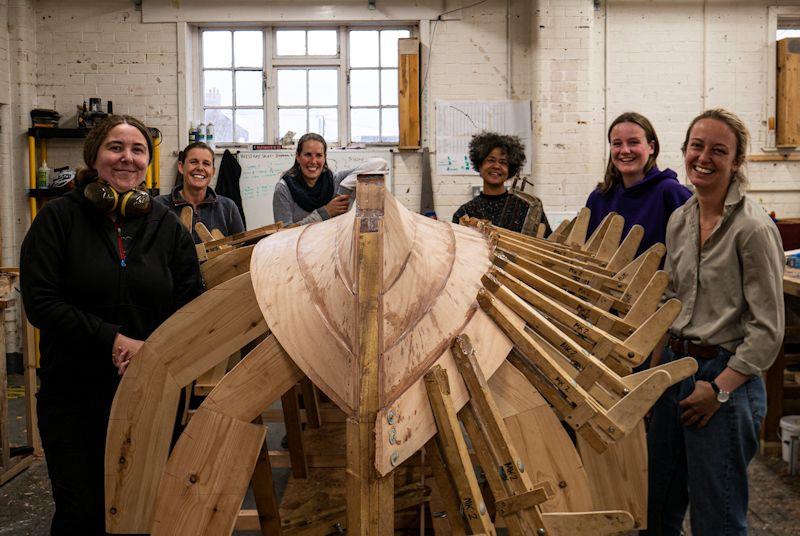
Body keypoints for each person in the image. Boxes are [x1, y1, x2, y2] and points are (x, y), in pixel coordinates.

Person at [20, 115, 204, 535]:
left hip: (152, 392)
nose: (127, 158)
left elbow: (190, 302)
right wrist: (113, 340)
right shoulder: (57, 220)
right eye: (116, 148)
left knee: (143, 508)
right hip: (74, 395)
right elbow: (41, 302)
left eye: (137, 150)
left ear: (148, 162)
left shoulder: (166, 227)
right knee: (81, 513)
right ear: (94, 157)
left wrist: (150, 350)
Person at [646, 109, 785, 535]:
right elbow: (671, 301)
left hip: (723, 379)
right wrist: (654, 377)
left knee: (717, 519)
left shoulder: (752, 228)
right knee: (657, 509)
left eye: (718, 150)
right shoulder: (681, 219)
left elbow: (767, 328)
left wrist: (719, 389)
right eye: (697, 146)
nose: (704, 158)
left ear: (737, 161)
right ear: (684, 151)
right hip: (674, 372)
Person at [584, 112, 691, 256]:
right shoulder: (598, 199)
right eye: (617, 144)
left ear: (651, 147)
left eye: (633, 142)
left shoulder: (671, 193)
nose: (625, 150)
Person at [452, 132, 551, 236]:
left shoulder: (528, 207)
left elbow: (550, 245)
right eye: (491, 160)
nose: (496, 166)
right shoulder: (465, 212)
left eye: (503, 162)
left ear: (510, 170)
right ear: (480, 166)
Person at [155, 141, 244, 243]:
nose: (200, 168)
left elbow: (241, 249)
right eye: (193, 162)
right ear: (181, 167)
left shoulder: (228, 208)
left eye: (206, 164)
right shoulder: (159, 206)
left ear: (213, 171)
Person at [273, 133, 353, 226]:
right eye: (308, 155)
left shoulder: (335, 180)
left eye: (319, 155)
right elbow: (284, 233)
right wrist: (325, 213)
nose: (313, 161)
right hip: (300, 241)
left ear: (324, 158)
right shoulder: (283, 189)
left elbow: (370, 167)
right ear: (298, 157)